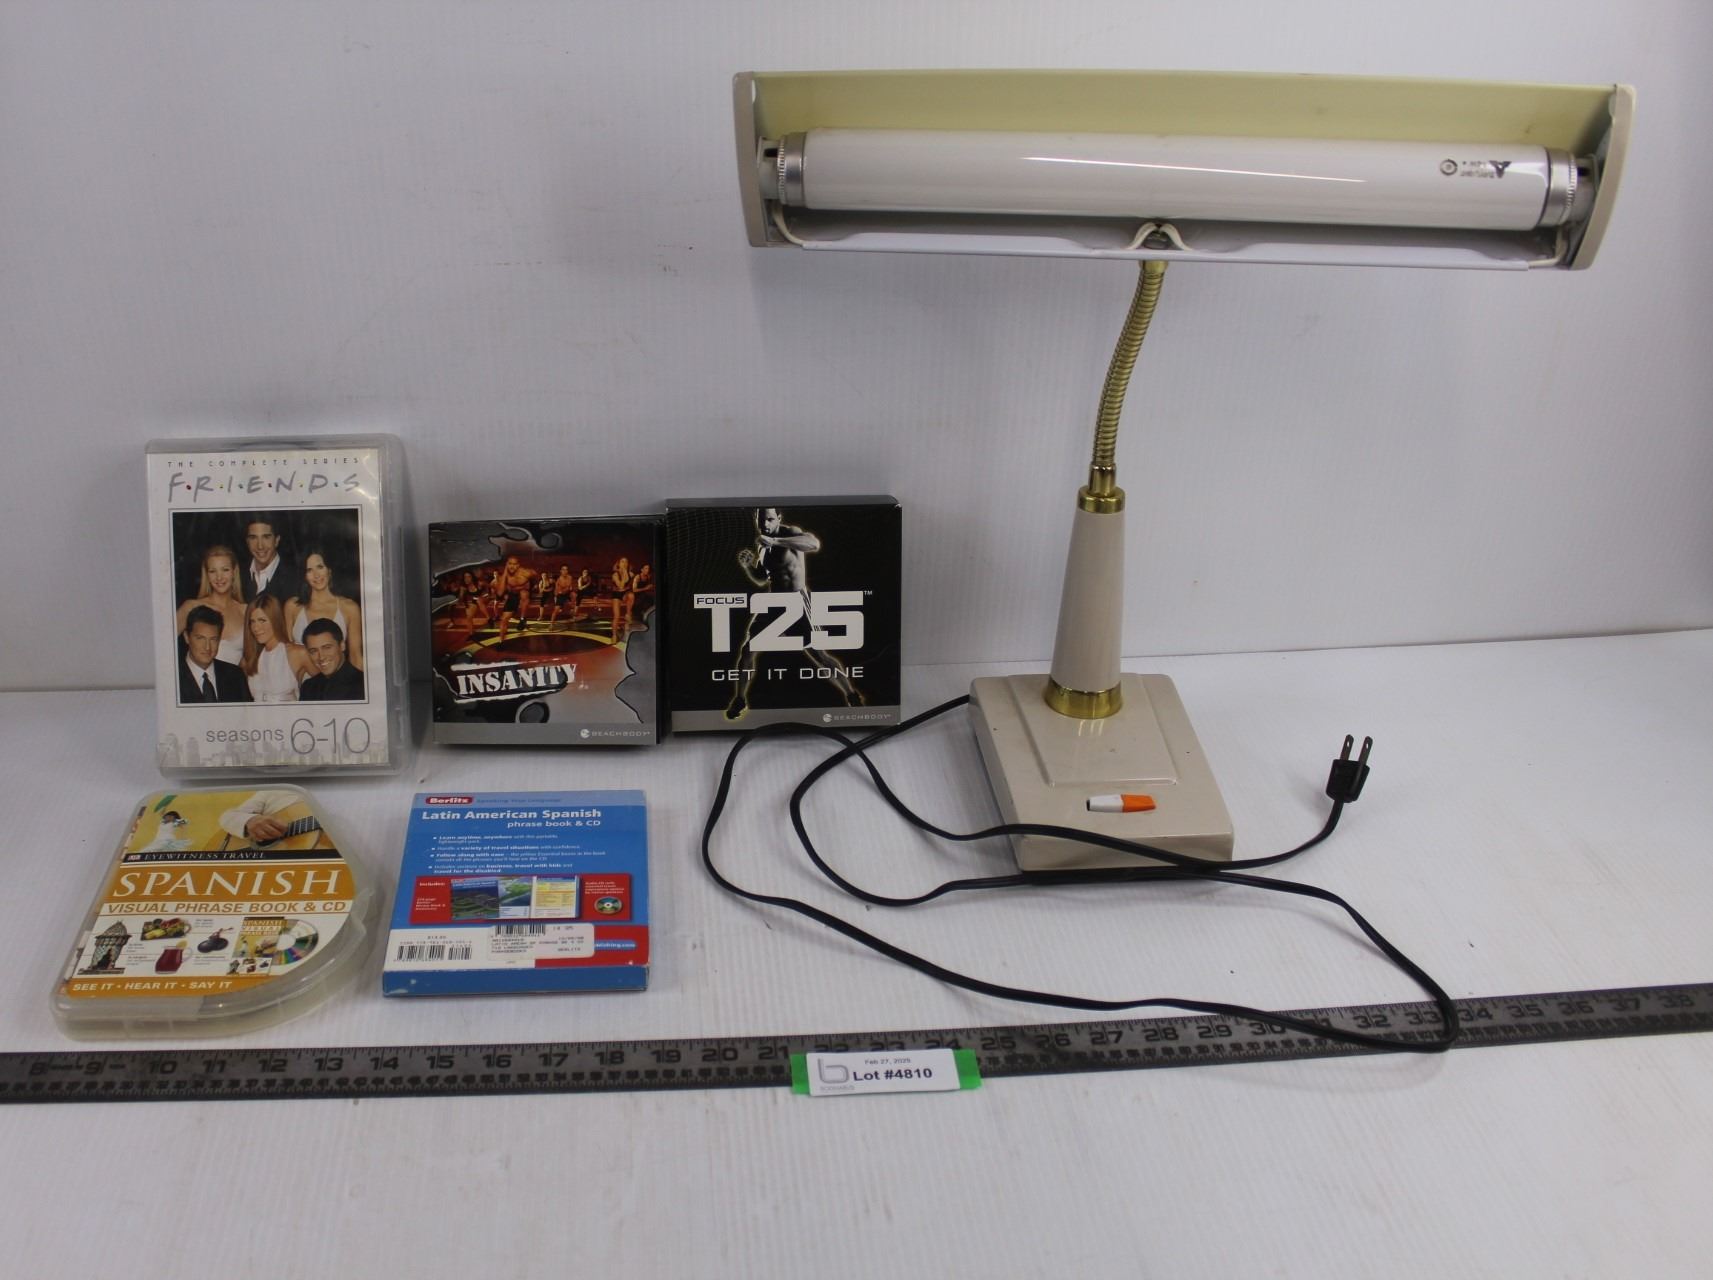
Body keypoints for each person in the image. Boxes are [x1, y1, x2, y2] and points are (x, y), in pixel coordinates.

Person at [726, 507, 862, 719]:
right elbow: (762, 577)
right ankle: (740, 699)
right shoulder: (762, 545)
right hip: (774, 603)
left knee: (819, 655)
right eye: (761, 520)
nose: (765, 525)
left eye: (770, 520)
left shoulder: (790, 533)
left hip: (797, 602)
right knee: (747, 651)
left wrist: (776, 541)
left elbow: (813, 544)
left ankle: (852, 695)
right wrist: (748, 567)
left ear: (778, 518)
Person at [285, 548, 365, 669]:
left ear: (329, 570)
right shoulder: (292, 606)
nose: (316, 575)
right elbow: (287, 654)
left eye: (320, 567)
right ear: (304, 576)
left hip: (336, 679)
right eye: (309, 570)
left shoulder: (349, 608)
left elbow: (356, 657)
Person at [174, 544, 248, 666]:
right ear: (207, 575)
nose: (219, 577)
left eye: (225, 570)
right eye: (213, 571)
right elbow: (162, 644)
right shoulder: (191, 607)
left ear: (234, 572)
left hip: (233, 677)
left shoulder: (245, 611)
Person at [240, 593, 314, 703]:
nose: (256, 628)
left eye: (262, 620)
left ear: (275, 619)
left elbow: (325, 686)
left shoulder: (297, 653)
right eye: (252, 622)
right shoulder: (249, 659)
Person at [178, 605, 252, 703]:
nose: (207, 647)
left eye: (213, 639)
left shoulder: (236, 676)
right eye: (200, 638)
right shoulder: (173, 678)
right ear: (187, 637)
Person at [299, 617, 366, 701]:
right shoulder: (308, 687)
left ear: (342, 645)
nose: (321, 657)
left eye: (327, 647)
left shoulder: (363, 684)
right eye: (314, 651)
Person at [241, 517, 292, 603]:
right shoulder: (237, 575)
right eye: (253, 538)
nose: (260, 546)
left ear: (276, 540)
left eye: (266, 537)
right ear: (247, 541)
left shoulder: (295, 578)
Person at [493, 555, 534, 644]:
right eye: (510, 564)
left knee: (524, 593)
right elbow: (499, 593)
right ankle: (501, 641)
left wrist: (529, 587)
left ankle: (522, 619)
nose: (512, 566)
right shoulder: (505, 576)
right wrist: (505, 572)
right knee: (504, 619)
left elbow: (535, 578)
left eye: (514, 564)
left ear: (518, 565)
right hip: (513, 596)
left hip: (524, 594)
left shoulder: (526, 573)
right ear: (507, 564)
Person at [610, 556, 637, 639]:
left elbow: (631, 588)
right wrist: (624, 574)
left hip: (625, 593)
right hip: (616, 595)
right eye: (622, 561)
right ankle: (614, 635)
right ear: (618, 564)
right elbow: (621, 586)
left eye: (626, 562)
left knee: (631, 595)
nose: (624, 563)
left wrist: (627, 574)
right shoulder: (615, 574)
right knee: (616, 616)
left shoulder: (631, 574)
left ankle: (627, 614)